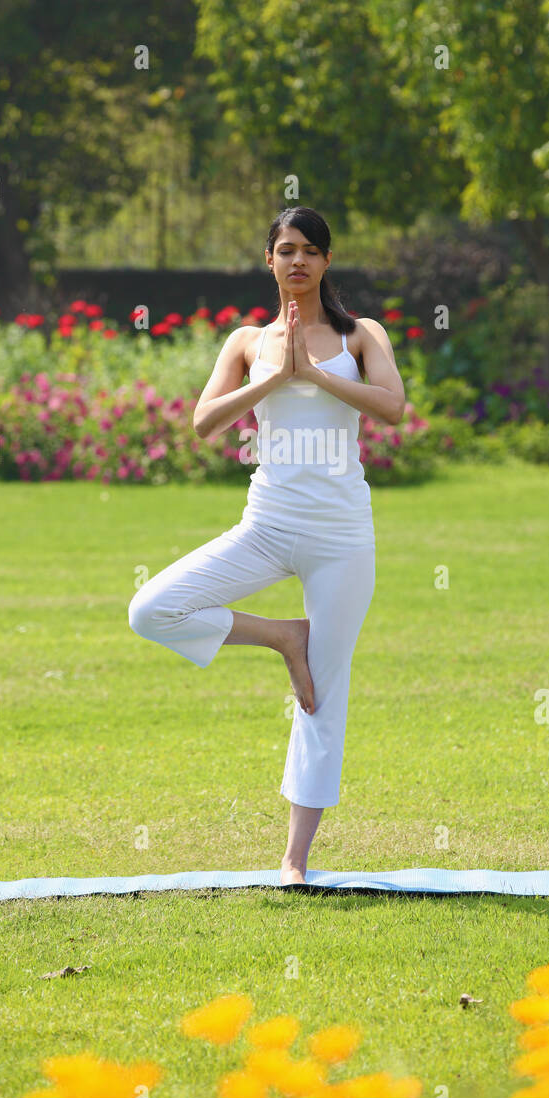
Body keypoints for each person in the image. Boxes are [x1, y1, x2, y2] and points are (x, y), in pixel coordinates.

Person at [128, 206, 405, 883]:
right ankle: (285, 636)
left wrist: (313, 374)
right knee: (153, 609)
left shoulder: (361, 334)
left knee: (323, 696)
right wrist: (274, 378)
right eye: (286, 249)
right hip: (267, 525)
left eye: (310, 250)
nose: (298, 261)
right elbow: (201, 423)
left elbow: (393, 407)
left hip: (341, 535)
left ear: (327, 262)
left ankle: (294, 861)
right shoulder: (247, 341)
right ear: (270, 260)